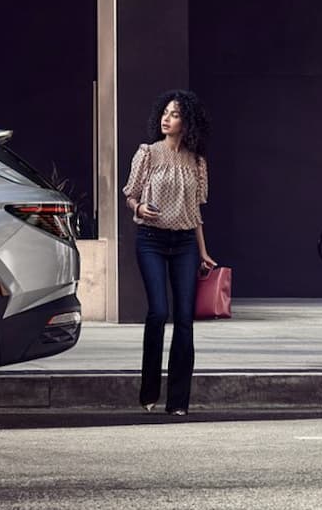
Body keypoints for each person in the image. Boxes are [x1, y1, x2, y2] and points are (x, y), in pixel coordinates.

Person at [121, 89, 218, 417]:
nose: (166, 118)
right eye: (164, 112)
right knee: (159, 312)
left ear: (186, 121)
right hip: (150, 239)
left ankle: (178, 402)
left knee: (185, 321)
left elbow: (196, 212)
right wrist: (139, 207)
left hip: (186, 244)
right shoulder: (147, 153)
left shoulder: (197, 161)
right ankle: (149, 390)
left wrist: (204, 252)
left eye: (174, 114)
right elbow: (130, 194)